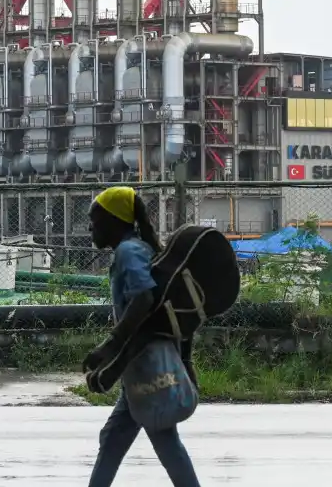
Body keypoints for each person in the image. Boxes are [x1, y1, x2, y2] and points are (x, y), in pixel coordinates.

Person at [81, 185, 201, 487]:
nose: (90, 227)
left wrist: (110, 345)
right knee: (115, 438)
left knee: (162, 438)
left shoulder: (129, 251)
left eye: (95, 221)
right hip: (141, 362)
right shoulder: (134, 249)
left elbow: (144, 298)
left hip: (146, 362)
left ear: (114, 221)